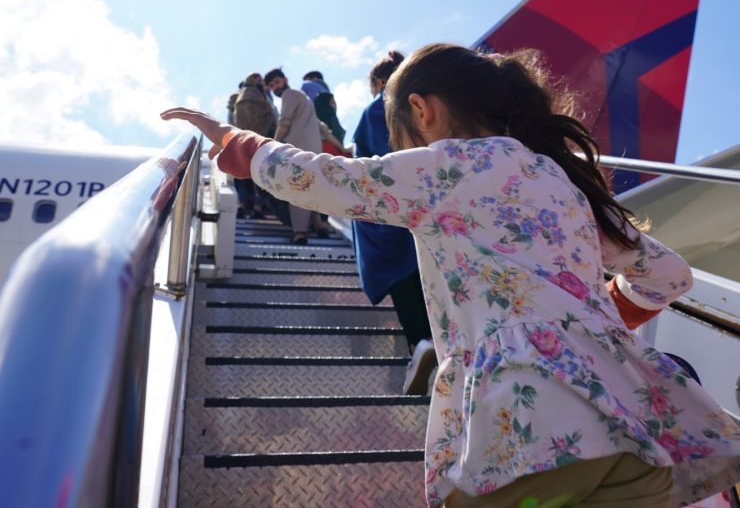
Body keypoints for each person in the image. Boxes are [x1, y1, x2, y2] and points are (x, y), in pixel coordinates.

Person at [162, 43, 740, 507]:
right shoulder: (564, 182)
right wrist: (606, 315)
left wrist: (240, 143)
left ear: (423, 110)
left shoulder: (454, 165)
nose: (400, 151)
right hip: (630, 432)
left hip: (530, 428)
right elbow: (668, 274)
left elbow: (341, 182)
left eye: (398, 139)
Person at [353, 50, 436, 395]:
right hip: (422, 209)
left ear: (377, 82)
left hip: (385, 214)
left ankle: (419, 347)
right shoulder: (424, 106)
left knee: (401, 282)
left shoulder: (377, 110)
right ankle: (433, 347)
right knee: (423, 279)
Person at [263, 67, 328, 243]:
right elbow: (321, 127)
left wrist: (274, 145)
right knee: (313, 187)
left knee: (297, 188)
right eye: (271, 85)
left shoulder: (289, 95)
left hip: (299, 149)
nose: (275, 87)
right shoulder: (304, 97)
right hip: (314, 148)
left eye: (277, 82)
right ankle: (319, 224)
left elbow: (284, 122)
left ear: (285, 79)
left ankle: (300, 231)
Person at [232, 73, 277, 218]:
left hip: (242, 141)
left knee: (245, 177)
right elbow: (268, 117)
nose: (261, 81)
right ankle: (256, 208)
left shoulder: (239, 99)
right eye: (257, 78)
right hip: (258, 141)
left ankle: (243, 207)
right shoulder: (257, 97)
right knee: (257, 177)